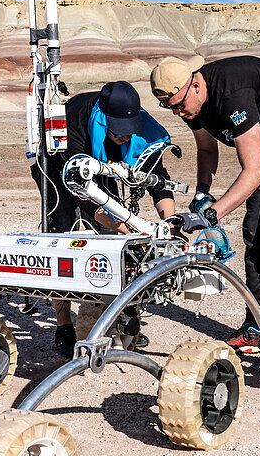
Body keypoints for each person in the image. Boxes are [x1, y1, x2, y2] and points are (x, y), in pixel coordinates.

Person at [150, 55, 260, 353]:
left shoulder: (232, 95)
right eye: (169, 108)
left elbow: (254, 171)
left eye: (179, 105)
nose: (178, 114)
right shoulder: (193, 105)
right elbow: (207, 149)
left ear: (195, 85)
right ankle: (255, 327)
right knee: (257, 235)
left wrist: (211, 215)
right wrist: (202, 191)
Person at [32, 80, 177, 356]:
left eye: (129, 133)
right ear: (103, 118)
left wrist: (167, 225)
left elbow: (159, 181)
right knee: (61, 239)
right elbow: (78, 193)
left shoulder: (138, 130)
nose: (125, 137)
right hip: (60, 168)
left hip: (101, 165)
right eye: (119, 133)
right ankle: (64, 325)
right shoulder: (74, 118)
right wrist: (115, 221)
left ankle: (118, 317)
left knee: (117, 242)